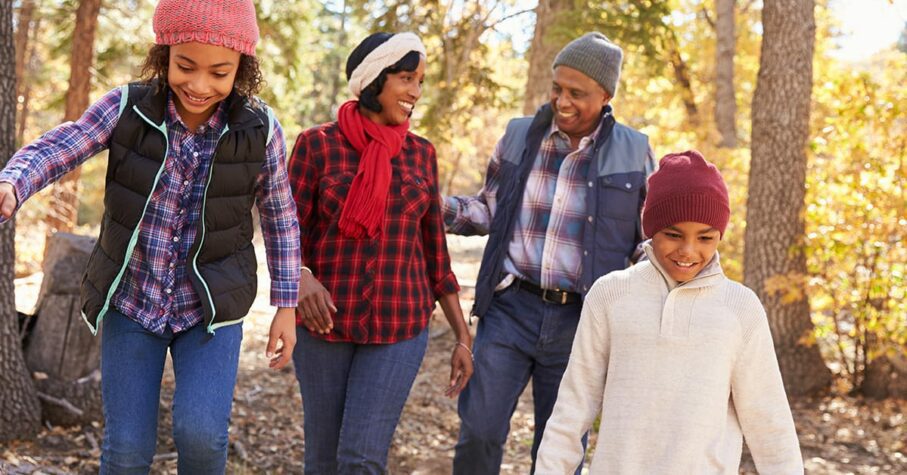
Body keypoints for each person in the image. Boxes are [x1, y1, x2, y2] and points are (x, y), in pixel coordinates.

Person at [0, 1, 300, 472]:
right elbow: (64, 143)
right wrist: (14, 181)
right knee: (126, 449)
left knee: (200, 435)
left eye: (219, 73)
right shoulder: (127, 107)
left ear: (243, 69)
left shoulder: (261, 130)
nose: (200, 86)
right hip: (132, 301)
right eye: (185, 66)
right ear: (164, 54)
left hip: (211, 311)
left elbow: (281, 218)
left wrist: (287, 304)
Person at [444, 32, 655, 474]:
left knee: (558, 448)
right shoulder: (520, 135)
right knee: (479, 433)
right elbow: (488, 210)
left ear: (605, 95)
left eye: (577, 93)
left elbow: (645, 242)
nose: (562, 101)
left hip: (580, 323)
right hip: (509, 310)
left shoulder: (635, 150)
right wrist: (432, 207)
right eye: (557, 88)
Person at [535, 151, 804, 474]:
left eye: (705, 238)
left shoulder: (739, 308)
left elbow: (768, 420)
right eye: (674, 235)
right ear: (651, 230)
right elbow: (573, 406)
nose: (688, 251)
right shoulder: (610, 295)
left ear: (720, 236)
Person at [287, 32, 474, 474]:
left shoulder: (421, 155)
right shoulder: (317, 145)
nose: (415, 92)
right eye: (406, 78)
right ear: (374, 80)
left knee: (362, 458)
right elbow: (285, 231)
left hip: (398, 327)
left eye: (420, 81)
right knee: (323, 459)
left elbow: (435, 254)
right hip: (322, 327)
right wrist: (300, 275)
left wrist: (463, 337)